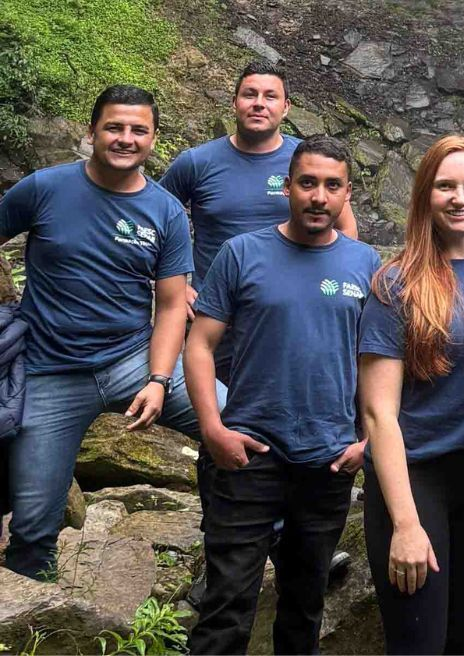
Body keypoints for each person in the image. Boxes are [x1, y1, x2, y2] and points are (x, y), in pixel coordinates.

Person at [184, 135, 380, 654]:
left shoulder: (366, 263)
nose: (318, 196)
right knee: (227, 603)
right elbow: (199, 344)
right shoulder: (242, 253)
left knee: (305, 602)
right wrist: (212, 428)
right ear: (287, 187)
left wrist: (366, 441)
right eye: (308, 183)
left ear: (346, 195)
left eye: (331, 186)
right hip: (247, 454)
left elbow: (374, 364)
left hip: (329, 460)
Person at [0, 85, 207, 580]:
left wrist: (159, 379)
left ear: (154, 139)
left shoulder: (164, 211)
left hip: (134, 358)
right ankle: (34, 621)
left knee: (239, 425)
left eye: (139, 130)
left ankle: (273, 541)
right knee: (32, 523)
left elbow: (174, 304)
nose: (125, 138)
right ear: (91, 131)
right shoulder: (42, 189)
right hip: (51, 371)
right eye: (114, 127)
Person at [358, 135, 464, 654]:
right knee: (419, 644)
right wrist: (405, 523)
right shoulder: (395, 284)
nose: (460, 197)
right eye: (446, 185)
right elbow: (378, 414)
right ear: (425, 194)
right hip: (417, 476)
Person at [161, 61, 359, 296]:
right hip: (213, 307)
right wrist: (176, 286)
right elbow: (153, 218)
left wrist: (322, 281)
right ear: (235, 103)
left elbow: (346, 227)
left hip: (290, 301)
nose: (259, 104)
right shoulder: (196, 162)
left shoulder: (307, 162)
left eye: (270, 96)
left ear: (285, 107)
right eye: (250, 95)